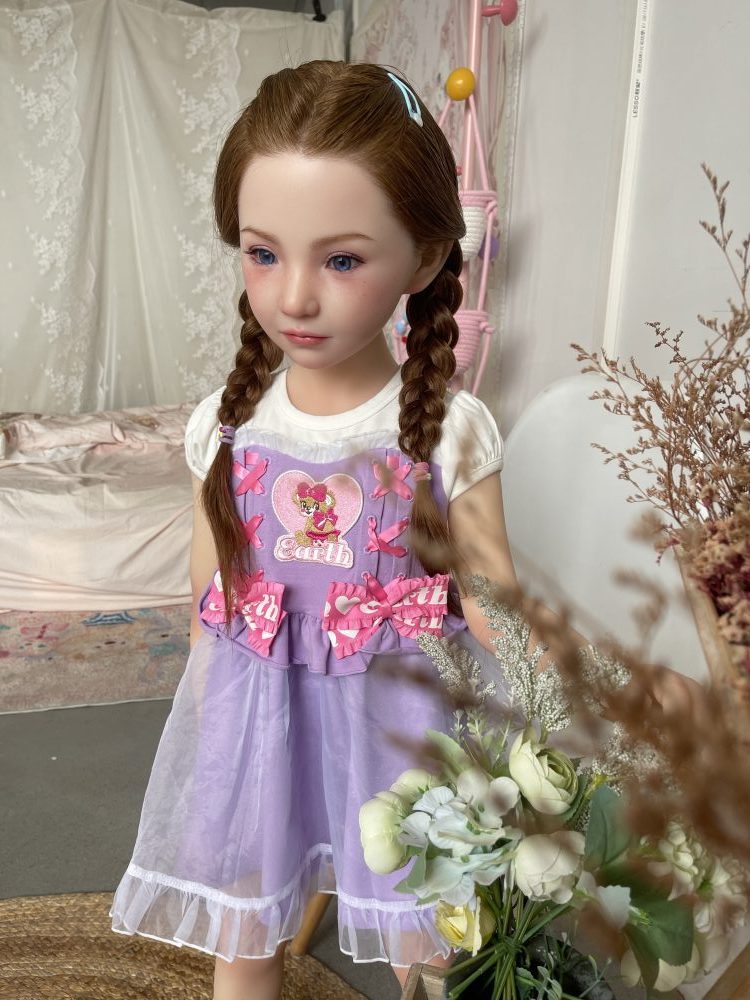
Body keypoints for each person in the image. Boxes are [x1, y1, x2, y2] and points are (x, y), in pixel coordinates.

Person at [108, 59, 700, 1000]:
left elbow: (495, 603)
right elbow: (207, 604)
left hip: (401, 734)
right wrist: (216, 750)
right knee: (245, 933)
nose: (294, 297)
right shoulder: (224, 425)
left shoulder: (448, 432)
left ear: (423, 260)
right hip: (259, 728)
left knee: (427, 942)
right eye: (263, 253)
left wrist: (616, 683)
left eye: (342, 260)